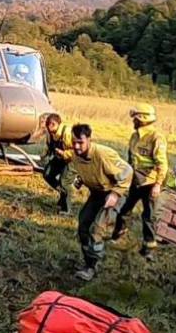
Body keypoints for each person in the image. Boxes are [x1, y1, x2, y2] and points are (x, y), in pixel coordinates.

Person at [68, 124, 133, 281]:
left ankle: (92, 267)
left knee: (97, 229)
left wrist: (115, 194)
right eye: (74, 142)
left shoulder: (103, 154)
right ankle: (88, 261)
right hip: (97, 193)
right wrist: (80, 180)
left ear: (89, 140)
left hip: (114, 192)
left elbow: (128, 172)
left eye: (80, 142)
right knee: (83, 224)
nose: (76, 146)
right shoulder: (76, 155)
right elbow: (86, 171)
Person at [111, 103, 168, 257]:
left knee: (148, 217)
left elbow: (162, 164)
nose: (133, 120)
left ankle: (149, 248)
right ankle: (118, 233)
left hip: (149, 184)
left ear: (142, 119)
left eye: (135, 118)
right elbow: (131, 159)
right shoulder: (135, 136)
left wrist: (157, 185)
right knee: (124, 210)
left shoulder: (156, 138)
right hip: (135, 182)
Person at [40, 113, 76, 215]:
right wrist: (43, 156)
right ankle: (63, 193)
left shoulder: (67, 133)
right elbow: (48, 146)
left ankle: (67, 209)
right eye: (48, 124)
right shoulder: (50, 133)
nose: (49, 126)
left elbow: (77, 151)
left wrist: (64, 153)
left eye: (52, 124)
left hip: (73, 160)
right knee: (47, 174)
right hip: (60, 158)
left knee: (64, 182)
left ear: (57, 124)